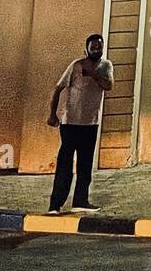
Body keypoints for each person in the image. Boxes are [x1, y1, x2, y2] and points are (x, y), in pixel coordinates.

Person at [46, 33, 113, 214]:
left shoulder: (106, 66)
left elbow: (108, 86)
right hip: (70, 122)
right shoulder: (75, 66)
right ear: (86, 49)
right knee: (65, 164)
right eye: (93, 47)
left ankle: (80, 201)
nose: (97, 50)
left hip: (90, 123)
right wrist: (52, 114)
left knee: (85, 164)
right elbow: (58, 88)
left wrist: (92, 73)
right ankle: (55, 204)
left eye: (100, 47)